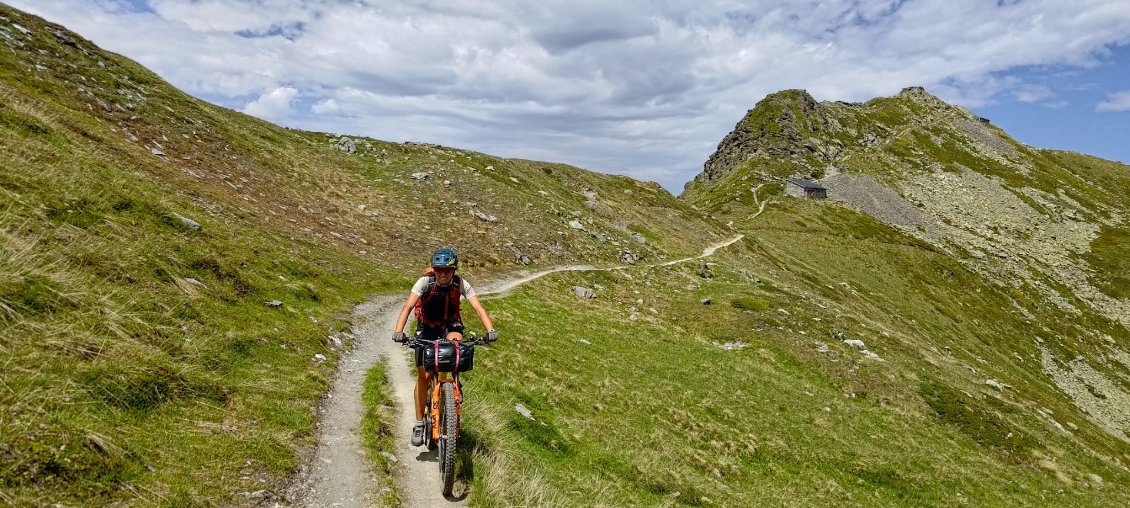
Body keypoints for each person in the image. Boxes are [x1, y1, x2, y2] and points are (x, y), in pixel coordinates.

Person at [391, 247, 498, 446]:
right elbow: (407, 307)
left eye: (447, 270)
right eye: (439, 270)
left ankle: (452, 388)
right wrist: (399, 331)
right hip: (427, 326)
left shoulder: (460, 284)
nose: (443, 274)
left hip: (450, 324)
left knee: (455, 347)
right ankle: (419, 423)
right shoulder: (425, 282)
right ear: (434, 269)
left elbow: (478, 307)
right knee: (423, 376)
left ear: (454, 270)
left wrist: (490, 330)